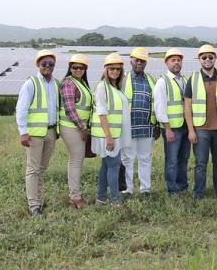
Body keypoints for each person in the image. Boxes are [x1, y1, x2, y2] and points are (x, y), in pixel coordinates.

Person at [184, 44, 217, 199]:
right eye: (204, 57)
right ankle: (198, 193)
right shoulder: (193, 79)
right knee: (200, 164)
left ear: (215, 59)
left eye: (210, 57)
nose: (207, 60)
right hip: (200, 130)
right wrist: (191, 130)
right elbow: (187, 107)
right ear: (199, 59)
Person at [16, 49, 61, 216]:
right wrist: (23, 132)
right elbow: (21, 109)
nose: (48, 66)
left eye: (51, 64)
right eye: (44, 63)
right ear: (38, 65)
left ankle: (39, 200)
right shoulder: (31, 83)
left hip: (50, 132)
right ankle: (33, 205)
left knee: (42, 169)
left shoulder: (56, 83)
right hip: (34, 134)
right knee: (33, 169)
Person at [91, 53, 132, 206]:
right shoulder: (102, 87)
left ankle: (101, 198)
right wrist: (108, 136)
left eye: (118, 69)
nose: (115, 71)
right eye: (112, 68)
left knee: (106, 166)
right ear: (106, 70)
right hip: (108, 135)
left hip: (116, 134)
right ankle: (115, 200)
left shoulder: (116, 87)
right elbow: (101, 113)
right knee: (114, 166)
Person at [120, 47, 158, 196]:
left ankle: (145, 189)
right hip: (128, 127)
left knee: (145, 158)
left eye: (143, 61)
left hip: (147, 126)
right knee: (127, 159)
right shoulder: (123, 79)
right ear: (131, 60)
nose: (140, 63)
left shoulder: (151, 80)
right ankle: (127, 189)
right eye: (137, 60)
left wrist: (156, 125)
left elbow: (155, 103)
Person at [153, 48, 190, 195]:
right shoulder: (162, 82)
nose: (176, 63)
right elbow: (160, 108)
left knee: (184, 159)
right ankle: (172, 190)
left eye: (178, 60)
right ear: (166, 62)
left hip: (185, 127)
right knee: (172, 161)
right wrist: (167, 129)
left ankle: (183, 186)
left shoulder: (185, 80)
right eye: (173, 60)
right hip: (172, 129)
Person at [59, 53, 93, 209]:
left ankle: (74, 194)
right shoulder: (68, 84)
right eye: (75, 67)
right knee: (76, 161)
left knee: (76, 160)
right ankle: (75, 197)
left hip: (79, 128)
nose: (78, 70)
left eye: (81, 67)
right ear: (70, 68)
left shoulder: (82, 84)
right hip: (72, 128)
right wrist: (82, 128)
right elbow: (70, 109)